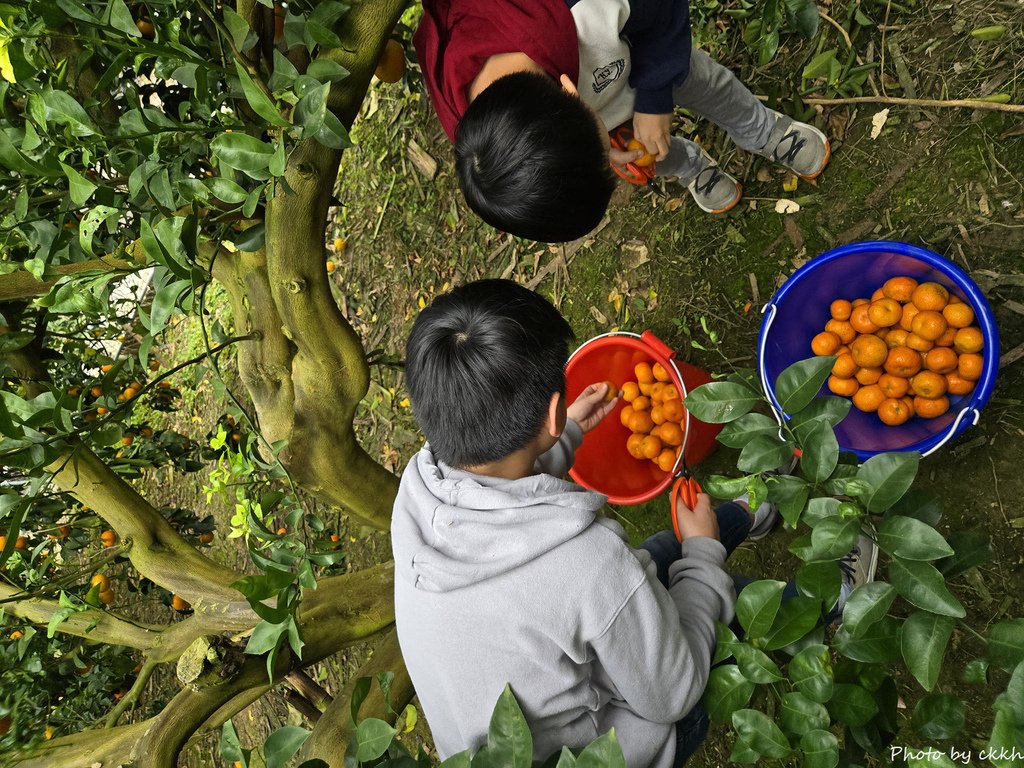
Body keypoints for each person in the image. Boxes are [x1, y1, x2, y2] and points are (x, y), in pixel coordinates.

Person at [392, 278, 875, 766]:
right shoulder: (587, 563)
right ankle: (836, 598)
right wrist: (704, 556)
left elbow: (497, 486)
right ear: (551, 411)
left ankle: (756, 506)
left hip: (542, 678)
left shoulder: (418, 494)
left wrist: (563, 433)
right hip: (622, 741)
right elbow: (673, 693)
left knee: (665, 554)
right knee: (719, 593)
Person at [414, 0, 832, 243]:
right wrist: (604, 149)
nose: (608, 157)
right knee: (643, 152)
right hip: (596, 109)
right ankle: (689, 166)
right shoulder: (478, 135)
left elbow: (662, 13)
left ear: (570, 92)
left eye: (599, 152)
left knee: (705, 85)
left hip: (644, 56)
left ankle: (763, 131)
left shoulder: (584, 9)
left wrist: (653, 96)